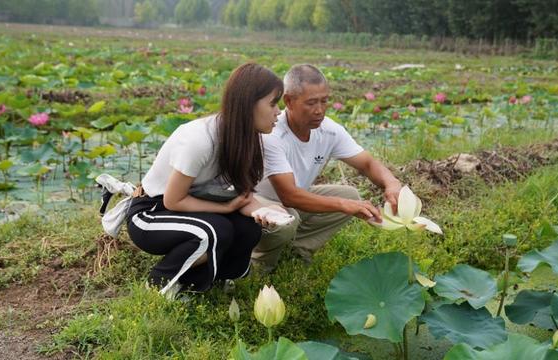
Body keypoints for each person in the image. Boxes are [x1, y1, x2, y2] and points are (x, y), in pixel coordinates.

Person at [126, 63, 285, 298]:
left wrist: (266, 212)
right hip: (151, 214)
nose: (279, 111)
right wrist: (225, 208)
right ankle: (158, 285)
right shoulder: (199, 139)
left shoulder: (245, 139)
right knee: (214, 230)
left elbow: (243, 198)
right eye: (273, 103)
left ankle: (206, 285)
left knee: (248, 228)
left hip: (191, 211)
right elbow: (174, 200)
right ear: (248, 103)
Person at [251, 64, 403, 272]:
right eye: (311, 103)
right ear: (288, 101)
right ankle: (258, 265)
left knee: (350, 195)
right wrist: (343, 205)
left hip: (294, 199)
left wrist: (391, 183)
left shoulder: (329, 130)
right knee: (288, 218)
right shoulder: (273, 133)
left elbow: (367, 164)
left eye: (324, 101)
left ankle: (297, 251)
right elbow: (289, 196)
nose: (319, 110)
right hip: (258, 203)